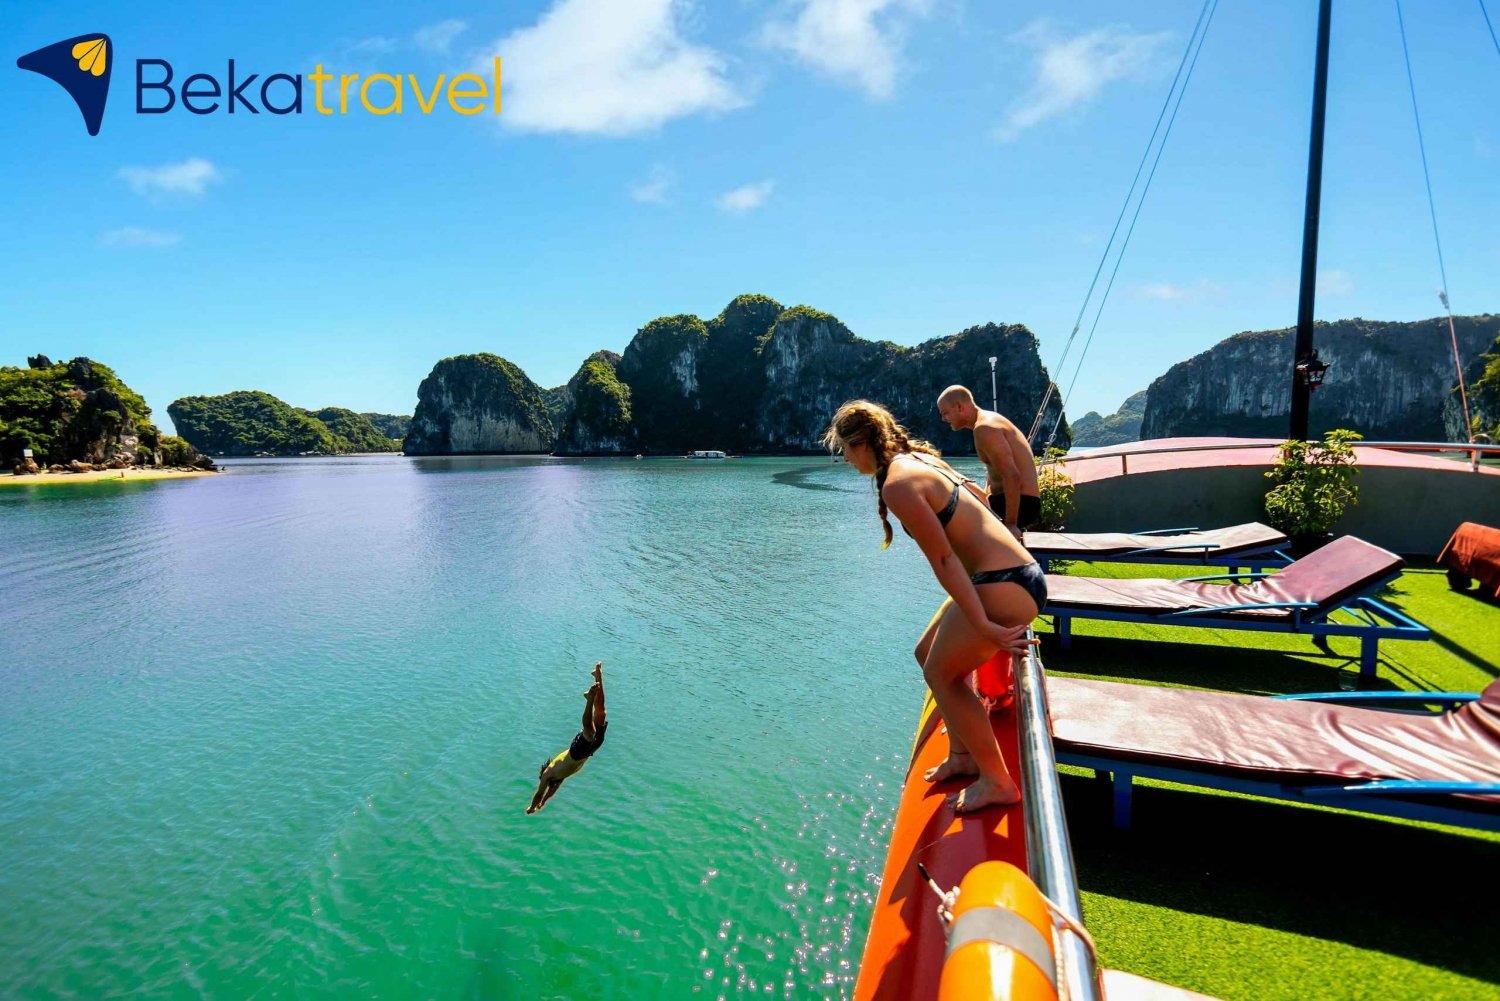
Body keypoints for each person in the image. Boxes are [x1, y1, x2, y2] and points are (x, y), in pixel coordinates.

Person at [823, 400, 1046, 813]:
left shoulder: (897, 485)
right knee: (925, 652)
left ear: (860, 443)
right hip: (1013, 576)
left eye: (845, 451)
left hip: (1004, 584)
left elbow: (944, 559)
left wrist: (983, 623)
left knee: (940, 673)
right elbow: (979, 496)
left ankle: (997, 781)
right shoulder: (919, 459)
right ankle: (961, 756)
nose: (847, 461)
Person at [936, 385, 1041, 540]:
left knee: (944, 513)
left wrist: (1011, 524)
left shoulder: (985, 428)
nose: (943, 419)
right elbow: (995, 472)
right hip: (1010, 502)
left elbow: (1011, 475)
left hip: (1020, 505)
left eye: (945, 413)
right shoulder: (988, 421)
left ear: (959, 407)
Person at [527, 661, 608, 815]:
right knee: (602, 712)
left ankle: (589, 699)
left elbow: (540, 793)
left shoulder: (548, 774)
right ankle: (597, 676)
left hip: (577, 752)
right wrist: (543, 803)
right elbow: (550, 792)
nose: (553, 787)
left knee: (589, 731)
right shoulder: (559, 777)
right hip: (590, 751)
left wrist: (532, 807)